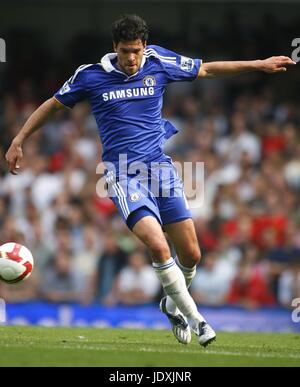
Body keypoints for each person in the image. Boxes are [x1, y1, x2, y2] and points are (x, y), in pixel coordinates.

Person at [5, 14, 295, 346]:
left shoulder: (158, 61)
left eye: (137, 51)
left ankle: (172, 304)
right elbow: (52, 105)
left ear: (145, 46)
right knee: (158, 245)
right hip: (122, 173)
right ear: (115, 47)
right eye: (126, 51)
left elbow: (207, 69)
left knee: (192, 255)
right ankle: (197, 319)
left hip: (160, 169)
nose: (132, 58)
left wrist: (258, 64)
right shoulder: (91, 76)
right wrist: (19, 138)